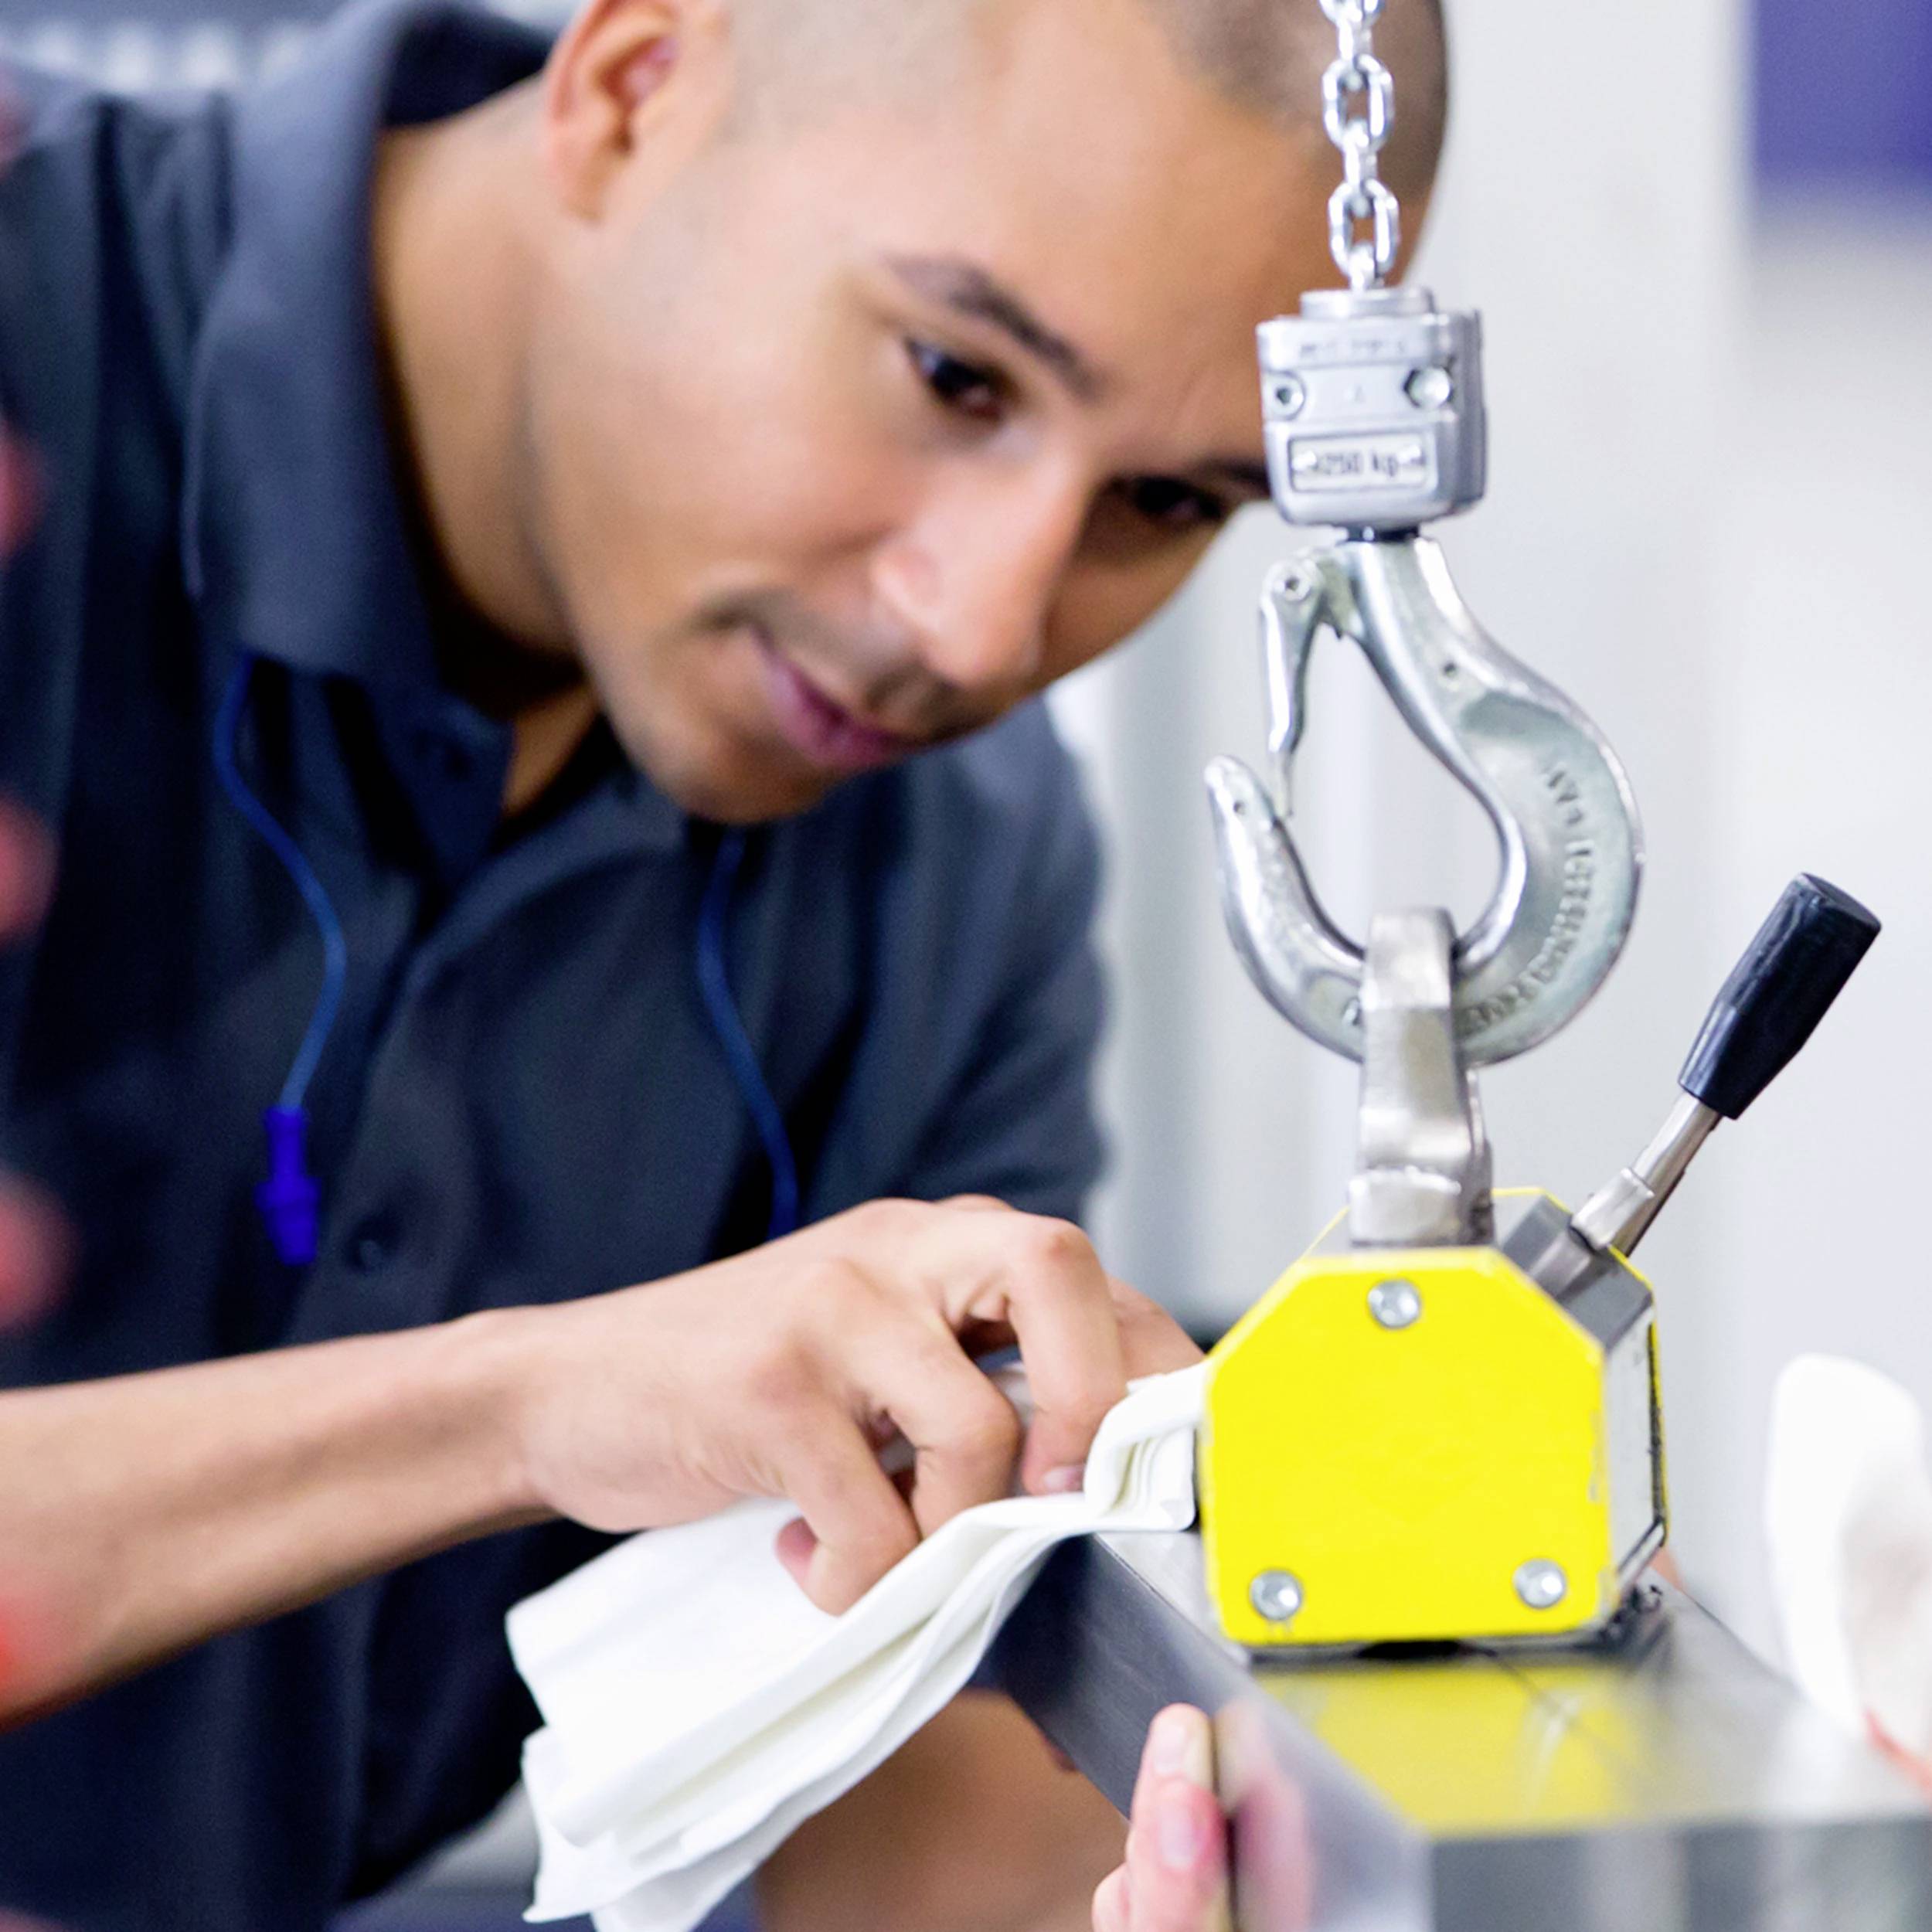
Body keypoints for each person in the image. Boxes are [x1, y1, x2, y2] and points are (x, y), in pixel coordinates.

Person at [0, 0, 1445, 1924]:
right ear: (628, 91)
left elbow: (893, 1771)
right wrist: (525, 1405)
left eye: (1165, 502)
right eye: (954, 373)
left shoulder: (956, 861)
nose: (987, 621)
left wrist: (1159, 1815)